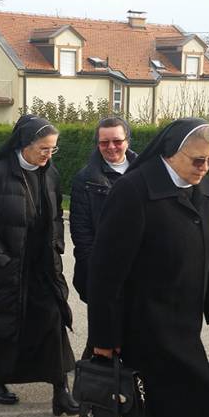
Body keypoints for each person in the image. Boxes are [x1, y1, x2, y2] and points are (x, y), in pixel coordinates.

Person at [88, 118, 209, 417]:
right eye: (198, 160)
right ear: (171, 152)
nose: (205, 168)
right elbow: (105, 273)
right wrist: (104, 339)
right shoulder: (133, 190)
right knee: (140, 414)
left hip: (183, 327)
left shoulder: (203, 189)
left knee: (186, 409)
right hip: (140, 330)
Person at [0, 115, 79, 416]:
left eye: (52, 149)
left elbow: (55, 216)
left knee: (53, 319)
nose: (48, 155)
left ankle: (61, 390)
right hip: (6, 265)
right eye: (43, 148)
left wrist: (57, 244)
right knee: (3, 324)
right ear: (24, 144)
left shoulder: (50, 173)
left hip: (42, 266)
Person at [69, 116, 137, 311]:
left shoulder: (145, 172)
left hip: (140, 272)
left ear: (127, 141)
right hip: (102, 271)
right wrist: (97, 272)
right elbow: (81, 234)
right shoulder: (85, 179)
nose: (111, 147)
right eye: (104, 142)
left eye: (117, 141)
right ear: (97, 144)